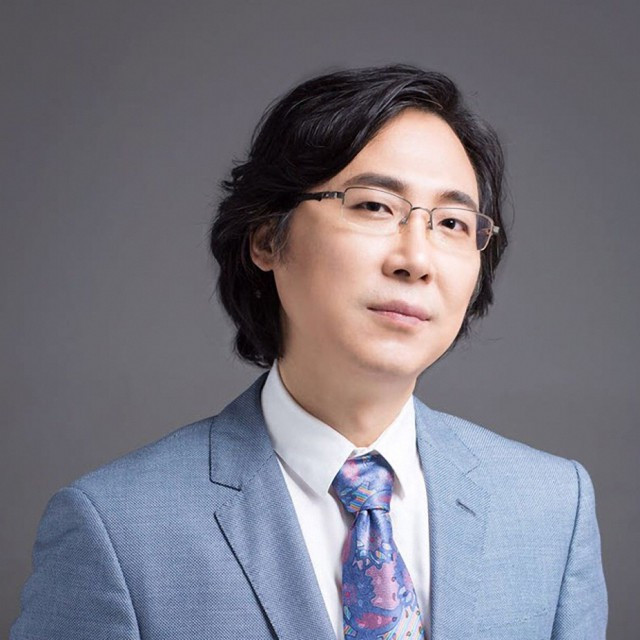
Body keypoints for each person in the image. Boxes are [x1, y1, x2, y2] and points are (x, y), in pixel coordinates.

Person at [11, 65, 607, 640]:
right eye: (374, 205)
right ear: (268, 238)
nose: (416, 259)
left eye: (452, 223)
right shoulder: (117, 529)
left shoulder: (551, 507)